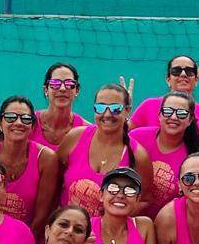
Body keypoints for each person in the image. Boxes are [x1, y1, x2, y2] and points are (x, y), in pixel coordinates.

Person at [57, 83, 152, 217]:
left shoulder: (138, 155)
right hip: (69, 231)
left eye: (115, 109)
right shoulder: (75, 137)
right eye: (100, 108)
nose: (107, 114)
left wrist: (110, 221)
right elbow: (53, 182)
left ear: (127, 110)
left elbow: (145, 200)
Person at [0, 95, 60, 240]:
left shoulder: (46, 159)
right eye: (10, 117)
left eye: (26, 118)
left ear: (33, 126)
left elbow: (41, 216)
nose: (18, 122)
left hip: (30, 241)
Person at [129, 91, 199, 220]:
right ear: (159, 115)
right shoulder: (136, 137)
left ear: (190, 120)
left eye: (181, 114)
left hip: (165, 225)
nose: (174, 117)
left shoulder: (194, 158)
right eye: (168, 111)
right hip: (126, 220)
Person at [129, 55, 199, 152]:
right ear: (168, 79)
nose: (183, 74)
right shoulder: (149, 105)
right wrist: (122, 108)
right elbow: (121, 135)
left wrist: (198, 146)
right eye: (176, 71)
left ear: (196, 80)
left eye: (189, 71)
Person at [32, 62, 88, 151]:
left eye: (69, 84)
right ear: (46, 90)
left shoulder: (87, 132)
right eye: (55, 83)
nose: (62, 88)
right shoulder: (28, 124)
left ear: (77, 90)